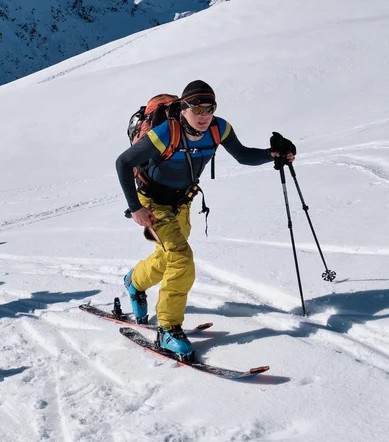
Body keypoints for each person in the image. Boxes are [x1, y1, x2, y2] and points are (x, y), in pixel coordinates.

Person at [114, 80, 295, 357]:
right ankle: (168, 329)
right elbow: (124, 162)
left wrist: (273, 155)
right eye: (197, 108)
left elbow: (243, 155)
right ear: (184, 108)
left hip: (183, 202)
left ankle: (134, 283)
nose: (204, 115)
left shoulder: (219, 128)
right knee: (181, 259)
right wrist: (135, 207)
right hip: (153, 204)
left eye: (210, 108)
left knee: (168, 257)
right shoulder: (167, 132)